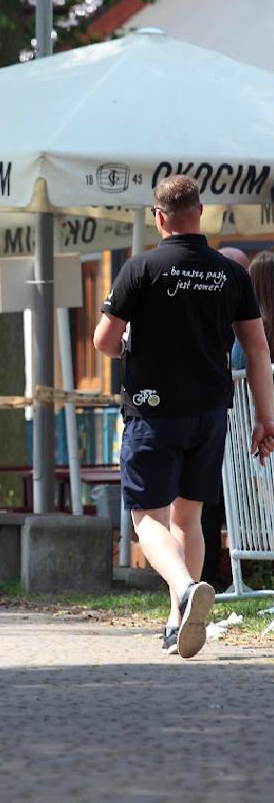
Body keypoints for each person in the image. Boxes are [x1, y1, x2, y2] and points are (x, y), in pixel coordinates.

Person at [93, 175, 274, 659]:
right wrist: (265, 417)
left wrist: (131, 345)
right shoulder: (230, 273)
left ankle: (186, 587)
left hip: (153, 411)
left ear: (159, 218)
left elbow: (104, 341)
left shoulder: (140, 268)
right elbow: (257, 349)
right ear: (200, 212)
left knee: (146, 518)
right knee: (188, 517)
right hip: (210, 412)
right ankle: (178, 623)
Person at [200, 245, 252, 589]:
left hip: (234, 429)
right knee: (206, 500)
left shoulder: (241, 321)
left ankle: (213, 573)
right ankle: (206, 574)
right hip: (214, 423)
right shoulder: (212, 313)